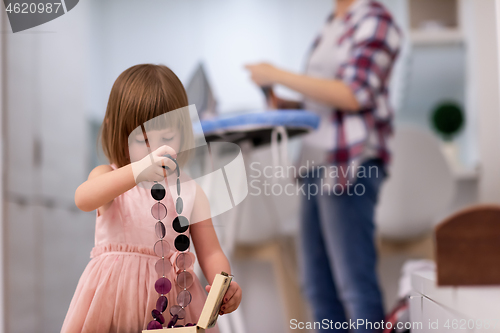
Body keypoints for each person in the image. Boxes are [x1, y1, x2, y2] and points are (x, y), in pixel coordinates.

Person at [245, 0, 402, 332]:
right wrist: (285, 102)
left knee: (354, 285)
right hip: (316, 162)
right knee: (318, 287)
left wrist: (277, 73)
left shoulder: (375, 19)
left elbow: (354, 93)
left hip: (350, 161)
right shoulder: (333, 23)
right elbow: (325, 98)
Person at [61, 64, 242, 333]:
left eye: (167, 137)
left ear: (183, 132)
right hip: (114, 303)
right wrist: (136, 171)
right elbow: (83, 198)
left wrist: (224, 286)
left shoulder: (191, 190)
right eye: (143, 140)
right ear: (120, 134)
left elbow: (212, 251)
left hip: (175, 305)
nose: (156, 149)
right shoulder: (109, 177)